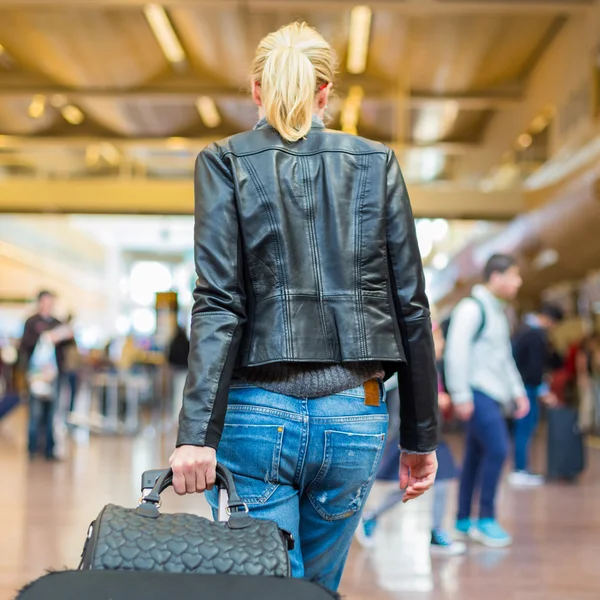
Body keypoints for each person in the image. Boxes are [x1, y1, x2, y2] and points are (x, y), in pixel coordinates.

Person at [168, 22, 439, 591]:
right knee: (319, 588)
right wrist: (420, 436)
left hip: (255, 413)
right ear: (325, 92)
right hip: (354, 413)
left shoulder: (224, 161)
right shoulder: (376, 162)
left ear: (256, 90)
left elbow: (218, 301)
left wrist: (195, 434)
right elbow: (411, 305)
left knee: (266, 586)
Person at [356, 322, 466, 556]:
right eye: (438, 338)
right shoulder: (408, 373)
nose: (443, 344)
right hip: (416, 439)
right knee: (410, 485)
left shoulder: (434, 368)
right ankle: (372, 517)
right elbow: (404, 408)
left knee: (437, 481)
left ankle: (434, 530)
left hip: (433, 437)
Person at [444, 254, 529, 548]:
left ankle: (464, 519)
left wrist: (517, 391)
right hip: (477, 394)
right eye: (514, 276)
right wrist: (461, 395)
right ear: (496, 277)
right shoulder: (472, 308)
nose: (518, 282)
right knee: (498, 449)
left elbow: (503, 358)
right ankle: (486, 519)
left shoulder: (497, 311)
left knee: (475, 456)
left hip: (491, 395)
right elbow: (456, 353)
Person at [509, 303, 564, 486]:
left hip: (522, 386)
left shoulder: (524, 330)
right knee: (525, 428)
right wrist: (543, 390)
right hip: (528, 388)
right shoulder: (535, 335)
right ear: (548, 319)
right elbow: (534, 367)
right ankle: (520, 470)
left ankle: (521, 468)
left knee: (523, 429)